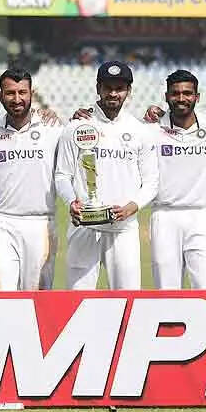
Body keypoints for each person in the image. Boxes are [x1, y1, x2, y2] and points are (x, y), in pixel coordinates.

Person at [55, 61, 158, 290]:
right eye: (108, 87)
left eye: (119, 88)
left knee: (127, 300)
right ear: (98, 88)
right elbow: (62, 175)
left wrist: (132, 207)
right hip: (84, 227)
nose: (113, 94)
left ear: (128, 90)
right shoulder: (77, 127)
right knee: (78, 300)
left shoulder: (139, 131)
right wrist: (71, 201)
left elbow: (151, 182)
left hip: (123, 229)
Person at [148, 70, 206, 290]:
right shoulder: (151, 128)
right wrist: (87, 114)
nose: (181, 98)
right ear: (166, 96)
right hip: (164, 216)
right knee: (166, 292)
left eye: (187, 93)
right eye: (175, 93)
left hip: (202, 216)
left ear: (197, 97)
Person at [0, 69, 63, 291]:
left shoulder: (53, 128)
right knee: (0, 296)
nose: (17, 99)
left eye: (22, 92)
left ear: (32, 94)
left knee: (37, 298)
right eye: (10, 93)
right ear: (0, 96)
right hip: (1, 223)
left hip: (41, 224)